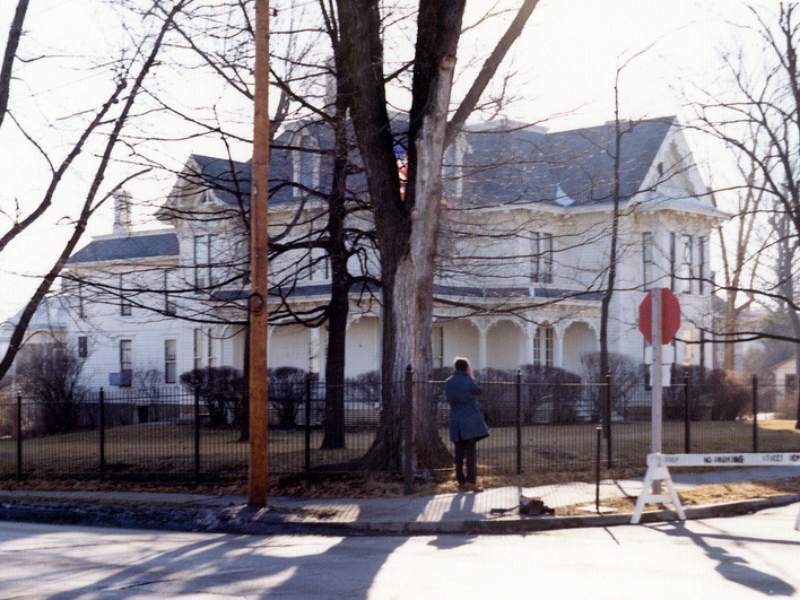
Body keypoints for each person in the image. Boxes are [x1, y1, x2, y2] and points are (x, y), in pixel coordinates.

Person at [444, 357, 489, 492]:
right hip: (469, 420)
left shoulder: (448, 382)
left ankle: (461, 481)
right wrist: (472, 376)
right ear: (467, 368)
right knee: (471, 453)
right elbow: (479, 390)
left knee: (458, 454)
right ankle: (472, 481)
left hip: (455, 420)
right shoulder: (468, 380)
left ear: (455, 368)